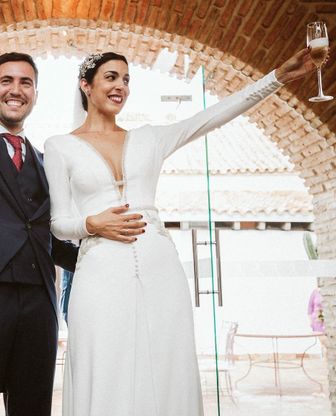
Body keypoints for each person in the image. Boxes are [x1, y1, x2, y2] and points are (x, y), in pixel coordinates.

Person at [43, 49, 315, 415]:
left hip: (160, 270)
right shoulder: (59, 146)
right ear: (86, 85)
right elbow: (58, 223)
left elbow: (213, 116)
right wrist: (92, 223)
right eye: (111, 77)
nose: (120, 86)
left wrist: (277, 76)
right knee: (103, 362)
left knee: (166, 363)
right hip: (98, 273)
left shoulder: (151, 138)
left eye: (126, 79)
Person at [0, 6, 145, 416]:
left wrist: (115, 258)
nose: (15, 89)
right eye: (6, 81)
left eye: (26, 83)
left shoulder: (46, 160)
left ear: (36, 95)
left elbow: (54, 237)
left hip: (39, 312)